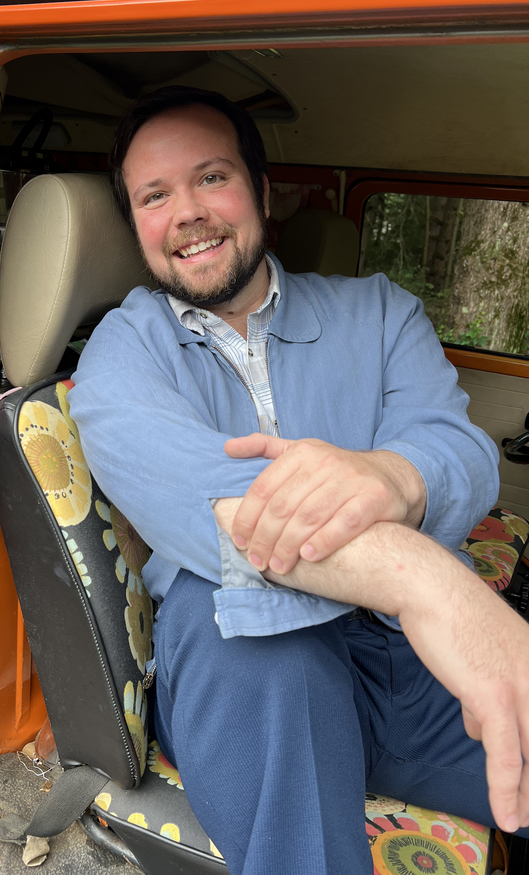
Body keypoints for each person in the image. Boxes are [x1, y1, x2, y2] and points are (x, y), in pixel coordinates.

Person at [67, 86, 529, 874]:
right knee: (252, 644)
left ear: (261, 192)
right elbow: (207, 504)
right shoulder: (123, 349)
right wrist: (423, 579)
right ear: (136, 222)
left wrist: (393, 473)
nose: (187, 212)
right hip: (241, 661)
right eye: (154, 195)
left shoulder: (380, 311)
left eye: (212, 177)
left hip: (399, 658)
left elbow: (461, 447)